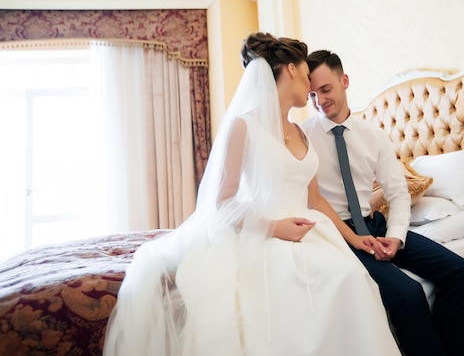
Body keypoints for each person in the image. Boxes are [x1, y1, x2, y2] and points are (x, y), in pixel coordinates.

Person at [102, 33, 401, 356]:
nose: (310, 85)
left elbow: (315, 199)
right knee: (337, 283)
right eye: (305, 75)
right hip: (266, 234)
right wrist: (275, 227)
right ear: (290, 70)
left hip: (313, 230)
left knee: (352, 279)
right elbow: (224, 202)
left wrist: (356, 240)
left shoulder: (301, 132)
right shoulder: (244, 127)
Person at [302, 50, 464, 356]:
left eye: (326, 90)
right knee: (408, 294)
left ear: (344, 81)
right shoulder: (303, 138)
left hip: (376, 225)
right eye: (312, 94)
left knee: (461, 271)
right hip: (337, 234)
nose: (320, 101)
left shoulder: (375, 137)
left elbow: (397, 194)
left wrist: (396, 238)